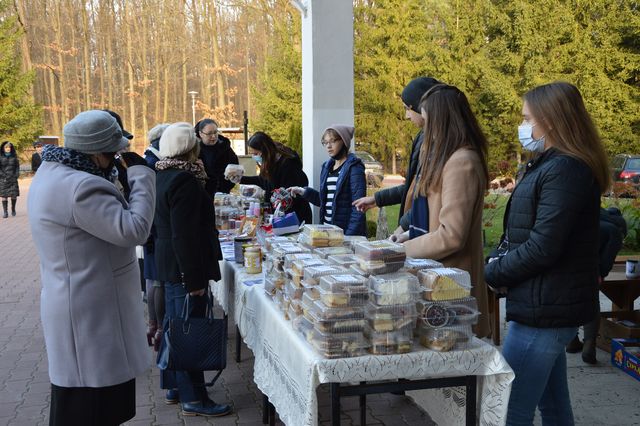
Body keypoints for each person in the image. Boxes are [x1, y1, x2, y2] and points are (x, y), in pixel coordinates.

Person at [484, 82, 610, 425]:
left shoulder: (566, 169)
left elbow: (543, 246)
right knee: (553, 408)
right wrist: (497, 261)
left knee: (507, 409)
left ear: (551, 120)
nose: (523, 126)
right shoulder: (549, 164)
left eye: (527, 118)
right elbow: (519, 233)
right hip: (544, 306)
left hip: (547, 310)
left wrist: (493, 272)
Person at [27, 110, 156, 426]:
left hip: (81, 302)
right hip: (91, 313)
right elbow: (134, 229)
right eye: (112, 153)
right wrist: (142, 177)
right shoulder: (80, 187)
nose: (116, 159)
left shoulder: (55, 171)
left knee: (88, 401)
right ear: (94, 152)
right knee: (92, 407)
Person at [390, 84, 491, 338]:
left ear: (441, 119)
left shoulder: (462, 161)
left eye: (426, 118)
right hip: (436, 277)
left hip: (452, 285)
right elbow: (432, 216)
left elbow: (451, 236)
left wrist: (401, 251)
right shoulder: (443, 155)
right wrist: (407, 235)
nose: (422, 125)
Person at [154, 122, 231, 417]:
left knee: (176, 326)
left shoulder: (163, 174)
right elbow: (183, 234)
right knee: (189, 331)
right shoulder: (183, 180)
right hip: (184, 266)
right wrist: (193, 279)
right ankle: (194, 399)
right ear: (190, 148)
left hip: (171, 264)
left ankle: (175, 386)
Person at [352, 76, 441, 232]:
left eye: (408, 108)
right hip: (416, 231)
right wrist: (376, 199)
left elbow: (428, 196)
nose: (406, 116)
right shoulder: (422, 138)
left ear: (422, 106)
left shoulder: (442, 145)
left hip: (427, 235)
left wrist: (403, 228)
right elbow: (412, 188)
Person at [566, 207, 627, 364]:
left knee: (570, 301)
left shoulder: (590, 215)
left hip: (567, 264)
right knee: (591, 303)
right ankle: (589, 345)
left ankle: (572, 341)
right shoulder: (614, 231)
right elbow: (608, 257)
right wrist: (601, 273)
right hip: (590, 269)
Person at [289, 125, 367, 236]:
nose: (328, 146)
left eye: (333, 141)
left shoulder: (354, 168)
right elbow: (325, 201)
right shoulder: (327, 167)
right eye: (325, 143)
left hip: (345, 235)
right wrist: (303, 191)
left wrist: (348, 237)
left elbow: (358, 208)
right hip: (327, 233)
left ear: (344, 141)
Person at [225, 131, 312, 224]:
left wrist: (268, 195)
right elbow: (262, 180)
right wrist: (240, 179)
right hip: (280, 215)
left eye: (256, 153)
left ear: (265, 150)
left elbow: (292, 194)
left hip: (295, 216)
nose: (254, 157)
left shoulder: (288, 164)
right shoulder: (269, 163)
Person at [143, 123, 170, 351]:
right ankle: (160, 327)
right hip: (155, 227)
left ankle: (154, 325)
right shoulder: (154, 163)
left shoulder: (149, 158)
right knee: (157, 279)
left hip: (150, 226)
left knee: (152, 278)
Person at [195, 118, 239, 197]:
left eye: (215, 132)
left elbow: (235, 167)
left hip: (223, 193)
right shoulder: (195, 151)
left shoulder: (225, 148)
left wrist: (227, 185)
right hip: (202, 193)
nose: (213, 136)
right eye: (209, 133)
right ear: (201, 134)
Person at [0, 141, 20, 218]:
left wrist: (16, 175)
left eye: (9, 147)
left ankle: (13, 209)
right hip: (3, 179)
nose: (8, 149)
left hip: (13, 178)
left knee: (13, 195)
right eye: (6, 147)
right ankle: (5, 212)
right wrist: (3, 176)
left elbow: (17, 167)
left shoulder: (14, 157)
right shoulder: (0, 157)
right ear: (3, 148)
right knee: (4, 196)